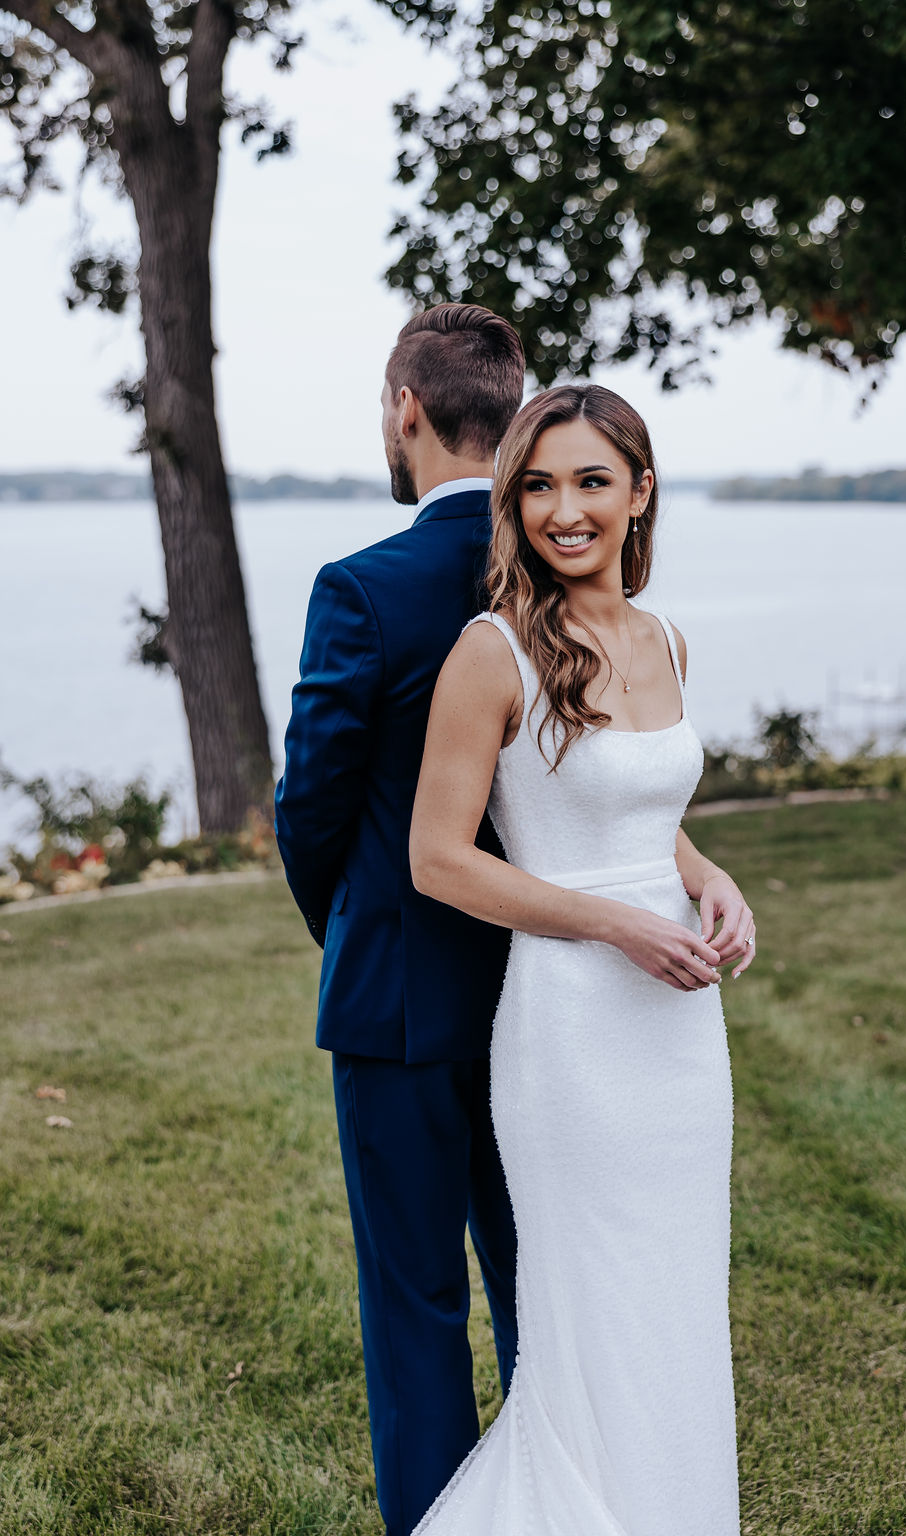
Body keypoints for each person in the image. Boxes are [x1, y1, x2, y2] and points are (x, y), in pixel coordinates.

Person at [408, 383, 756, 1535]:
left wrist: (705, 880)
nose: (565, 510)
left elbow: (642, 812)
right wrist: (616, 923)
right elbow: (439, 861)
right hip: (570, 1032)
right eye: (540, 484)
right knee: (591, 1311)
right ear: (513, 499)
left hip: (677, 1036)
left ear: (640, 492)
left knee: (673, 1300)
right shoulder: (491, 652)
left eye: (592, 481)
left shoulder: (663, 639)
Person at [274, 303, 526, 1536]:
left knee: (417, 1301)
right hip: (549, 990)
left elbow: (311, 808)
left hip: (401, 1000)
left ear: (406, 411)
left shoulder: (360, 587)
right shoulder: (554, 573)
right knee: (545, 1287)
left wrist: (359, 929)